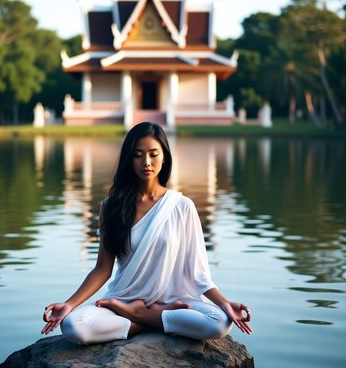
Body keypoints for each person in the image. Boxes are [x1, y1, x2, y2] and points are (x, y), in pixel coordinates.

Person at [41, 122, 252, 343]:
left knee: (218, 323)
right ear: (128, 159)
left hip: (176, 298)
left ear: (165, 157)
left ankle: (139, 315)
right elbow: (103, 269)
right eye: (138, 155)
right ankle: (144, 322)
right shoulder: (111, 206)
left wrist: (225, 303)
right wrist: (69, 304)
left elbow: (199, 275)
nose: (146, 163)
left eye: (153, 154)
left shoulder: (182, 206)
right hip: (124, 297)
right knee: (73, 327)